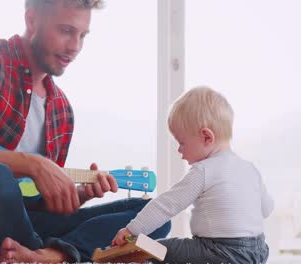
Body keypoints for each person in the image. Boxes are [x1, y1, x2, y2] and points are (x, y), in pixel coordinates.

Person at [0, 0, 170, 263]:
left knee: (154, 215)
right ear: (32, 19)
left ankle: (51, 256)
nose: (74, 47)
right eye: (65, 31)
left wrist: (75, 195)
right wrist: (34, 165)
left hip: (17, 232)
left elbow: (32, 204)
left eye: (83, 35)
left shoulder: (61, 110)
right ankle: (42, 252)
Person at [112, 86, 274, 264]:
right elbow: (267, 209)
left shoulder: (204, 170)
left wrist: (132, 230)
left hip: (220, 252)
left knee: (159, 250)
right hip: (258, 252)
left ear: (206, 137)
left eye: (182, 143)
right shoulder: (249, 168)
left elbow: (166, 205)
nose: (179, 150)